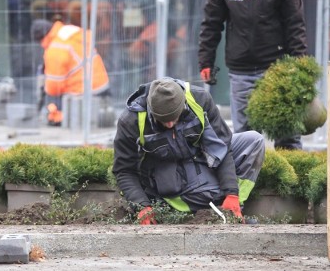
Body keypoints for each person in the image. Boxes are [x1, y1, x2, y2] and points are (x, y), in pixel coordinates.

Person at [198, 0, 307, 149]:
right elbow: (211, 24)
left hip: (278, 69)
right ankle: (250, 182)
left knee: (287, 133)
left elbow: (295, 26)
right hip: (241, 71)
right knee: (245, 136)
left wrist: (300, 66)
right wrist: (206, 61)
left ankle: (292, 179)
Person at [112, 77, 265, 224]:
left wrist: (232, 193)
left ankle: (233, 209)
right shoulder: (131, 120)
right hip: (168, 176)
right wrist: (141, 205)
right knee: (209, 192)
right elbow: (124, 170)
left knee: (254, 141)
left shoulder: (200, 99)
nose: (170, 124)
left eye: (174, 117)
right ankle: (214, 211)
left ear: (183, 103)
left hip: (199, 157)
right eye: (163, 121)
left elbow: (222, 148)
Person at [38, 5, 110, 126]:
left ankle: (57, 119)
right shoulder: (69, 32)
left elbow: (54, 87)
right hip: (101, 83)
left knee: (53, 99)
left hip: (83, 90)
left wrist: (44, 88)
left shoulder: (55, 48)